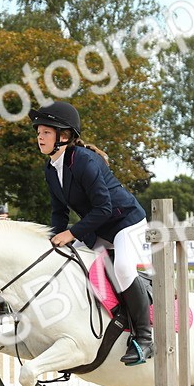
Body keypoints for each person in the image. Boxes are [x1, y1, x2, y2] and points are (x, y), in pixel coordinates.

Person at [29, 101, 153, 365]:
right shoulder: (52, 169)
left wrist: (71, 234)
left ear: (63, 136)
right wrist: (53, 239)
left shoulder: (84, 161)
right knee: (80, 269)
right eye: (38, 132)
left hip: (127, 222)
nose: (39, 137)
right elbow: (59, 212)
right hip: (98, 227)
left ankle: (144, 338)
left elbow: (104, 207)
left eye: (45, 132)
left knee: (122, 268)